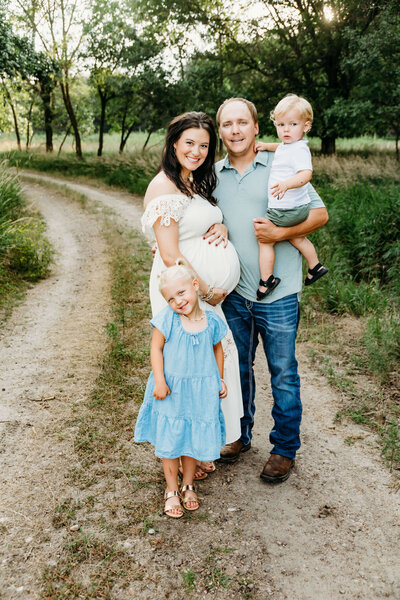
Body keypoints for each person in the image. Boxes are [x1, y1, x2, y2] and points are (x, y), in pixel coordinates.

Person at [206, 97, 328, 483]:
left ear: (257, 128)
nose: (235, 130)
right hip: (234, 294)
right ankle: (239, 436)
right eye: (227, 124)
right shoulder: (212, 174)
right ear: (220, 130)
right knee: (236, 367)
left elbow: (319, 215)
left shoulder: (282, 162)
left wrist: (281, 233)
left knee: (283, 373)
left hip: (278, 294)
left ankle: (284, 448)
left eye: (243, 122)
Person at [140, 111, 243, 479]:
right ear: (173, 144)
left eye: (203, 145)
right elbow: (169, 254)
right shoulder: (165, 185)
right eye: (189, 143)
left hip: (199, 290)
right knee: (184, 367)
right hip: (184, 291)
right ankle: (182, 448)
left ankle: (201, 446)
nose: (197, 151)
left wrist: (221, 225)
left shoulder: (192, 182)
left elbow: (193, 227)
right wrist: (205, 291)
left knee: (206, 365)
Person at [134, 260, 228, 518]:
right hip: (172, 389)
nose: (177, 301)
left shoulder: (211, 321)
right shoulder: (168, 320)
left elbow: (218, 349)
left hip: (200, 391)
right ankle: (172, 490)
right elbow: (156, 349)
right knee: (171, 439)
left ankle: (188, 485)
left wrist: (219, 379)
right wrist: (160, 381)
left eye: (181, 292)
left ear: (195, 286)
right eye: (171, 298)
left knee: (192, 437)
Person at [254, 94, 328, 299]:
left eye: (292, 124)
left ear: (306, 126)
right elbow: (280, 148)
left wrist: (287, 184)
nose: (285, 129)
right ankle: (315, 266)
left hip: (286, 209)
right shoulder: (290, 145)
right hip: (296, 208)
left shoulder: (300, 151)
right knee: (297, 237)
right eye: (281, 124)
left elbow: (306, 174)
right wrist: (266, 146)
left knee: (265, 239)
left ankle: (266, 280)